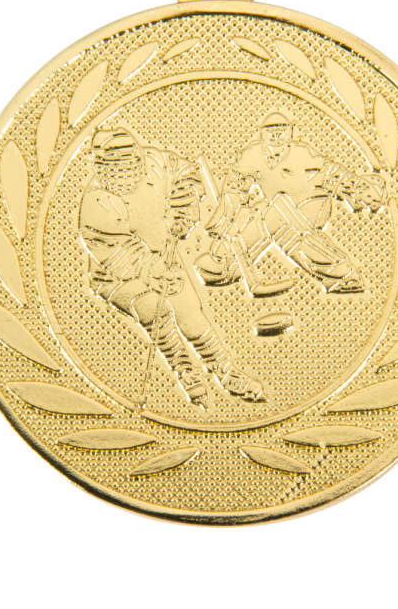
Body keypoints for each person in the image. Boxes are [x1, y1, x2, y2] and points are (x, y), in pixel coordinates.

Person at [79, 127, 264, 409]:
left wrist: (184, 202)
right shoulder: (96, 200)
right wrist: (150, 268)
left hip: (165, 255)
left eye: (127, 162)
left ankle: (225, 370)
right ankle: (184, 369)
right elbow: (114, 248)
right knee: (155, 310)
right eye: (113, 166)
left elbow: (186, 172)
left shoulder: (157, 162)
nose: (123, 172)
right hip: (118, 275)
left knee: (190, 311)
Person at [195, 112, 386, 295]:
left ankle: (344, 275)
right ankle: (224, 264)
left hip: (312, 204)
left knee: (279, 216)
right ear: (261, 132)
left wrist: (359, 190)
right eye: (270, 130)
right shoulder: (252, 154)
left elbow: (332, 174)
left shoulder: (302, 153)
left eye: (281, 130)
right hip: (275, 205)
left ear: (291, 131)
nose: (276, 135)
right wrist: (226, 214)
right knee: (258, 214)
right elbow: (235, 183)